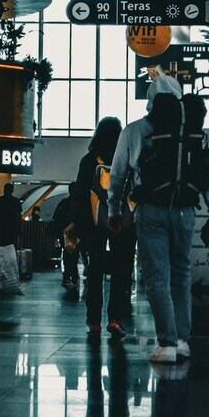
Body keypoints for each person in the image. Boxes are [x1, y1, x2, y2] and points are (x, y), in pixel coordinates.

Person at [108, 76, 209, 364]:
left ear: (150, 100)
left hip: (151, 210)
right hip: (185, 211)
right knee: (181, 275)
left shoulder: (134, 131)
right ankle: (182, 340)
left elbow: (118, 174)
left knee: (157, 277)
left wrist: (113, 210)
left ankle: (167, 343)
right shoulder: (192, 133)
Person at [73, 117, 134, 337]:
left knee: (95, 271)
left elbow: (79, 195)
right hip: (122, 224)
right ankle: (115, 319)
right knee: (121, 272)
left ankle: (93, 321)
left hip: (94, 225)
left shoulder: (89, 160)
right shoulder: (126, 158)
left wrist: (80, 227)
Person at [0, 183, 24, 250]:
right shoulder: (15, 201)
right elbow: (18, 215)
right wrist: (19, 228)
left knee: (1, 245)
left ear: (4, 190)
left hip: (1, 227)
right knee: (10, 246)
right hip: (12, 227)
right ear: (12, 191)